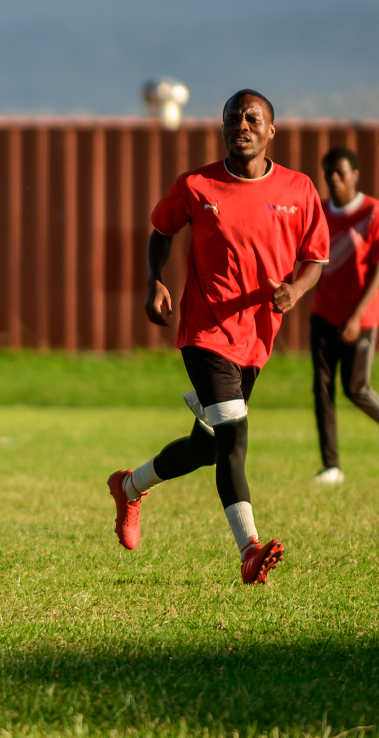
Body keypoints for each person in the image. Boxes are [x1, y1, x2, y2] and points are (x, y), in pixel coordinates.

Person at [107, 90, 328, 584]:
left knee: (205, 446)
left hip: (256, 339)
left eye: (253, 119)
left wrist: (293, 289)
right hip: (204, 333)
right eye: (233, 118)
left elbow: (315, 260)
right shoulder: (197, 184)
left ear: (272, 131)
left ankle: (130, 485)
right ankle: (249, 549)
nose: (242, 125)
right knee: (233, 434)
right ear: (223, 127)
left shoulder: (299, 189)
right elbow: (161, 230)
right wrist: (154, 279)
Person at [308, 146, 379, 484]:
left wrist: (356, 316)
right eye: (328, 174)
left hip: (361, 316)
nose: (334, 180)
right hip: (324, 311)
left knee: (356, 388)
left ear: (355, 175)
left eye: (340, 173)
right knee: (322, 388)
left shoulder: (374, 212)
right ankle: (331, 467)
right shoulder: (320, 212)